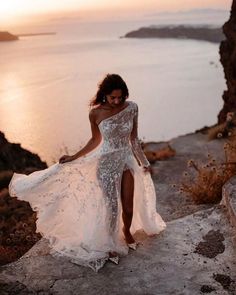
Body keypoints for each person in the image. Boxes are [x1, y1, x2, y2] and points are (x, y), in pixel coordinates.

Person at [8, 73, 166, 272]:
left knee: (127, 207)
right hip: (106, 165)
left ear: (125, 94)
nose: (117, 101)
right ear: (104, 96)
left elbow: (133, 139)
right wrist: (74, 157)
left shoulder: (132, 107)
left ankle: (126, 230)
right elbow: (95, 141)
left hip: (126, 161)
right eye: (112, 98)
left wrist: (144, 161)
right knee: (111, 207)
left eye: (120, 97)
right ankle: (110, 244)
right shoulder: (95, 113)